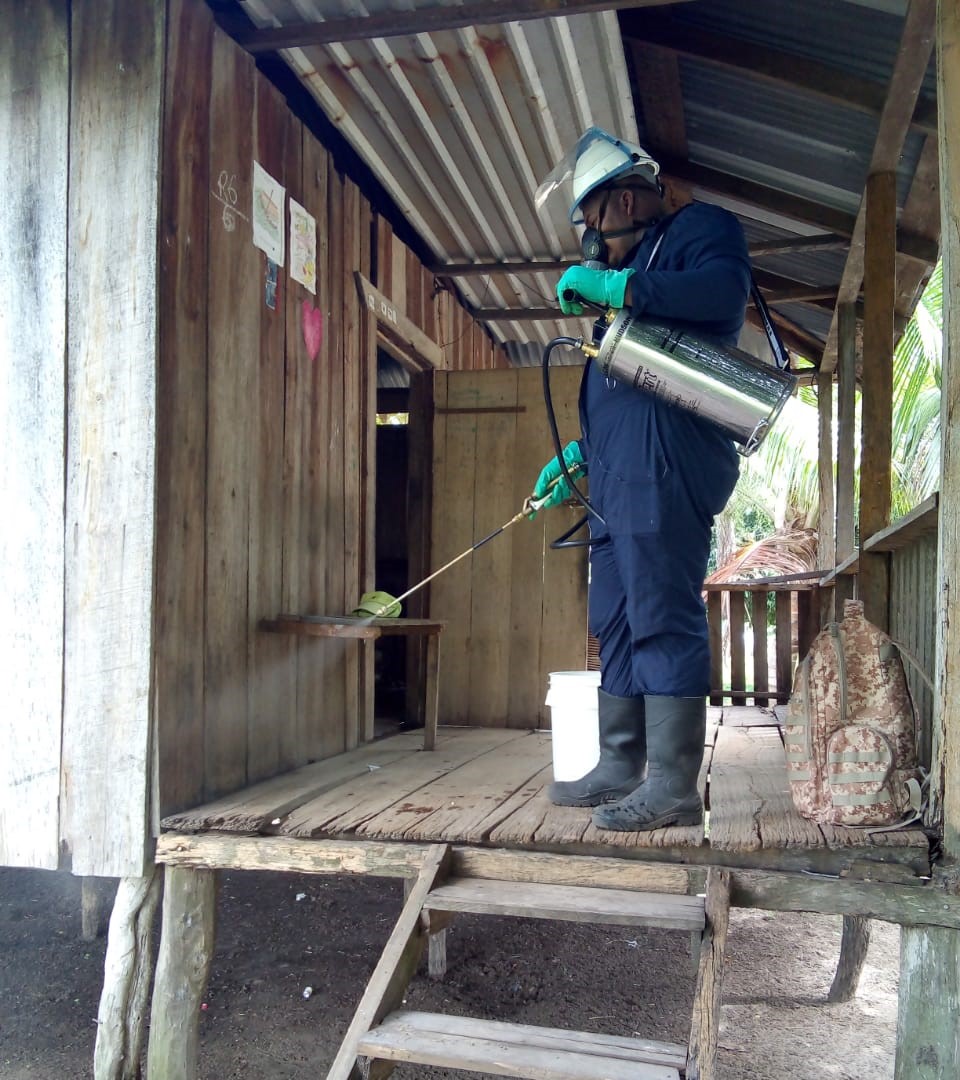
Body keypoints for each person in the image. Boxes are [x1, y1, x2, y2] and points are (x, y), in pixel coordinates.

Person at [533, 127, 752, 831]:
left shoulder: (699, 232)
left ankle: (673, 785)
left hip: (668, 463)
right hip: (620, 474)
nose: (591, 237)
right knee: (619, 620)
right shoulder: (623, 301)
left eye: (594, 217)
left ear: (628, 197)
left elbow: (722, 295)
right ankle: (622, 763)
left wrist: (623, 284)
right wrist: (580, 457)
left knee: (661, 612)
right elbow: (624, 391)